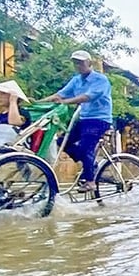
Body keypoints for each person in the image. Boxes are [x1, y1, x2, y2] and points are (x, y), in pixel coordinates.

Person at [38, 50, 113, 192]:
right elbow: (59, 95)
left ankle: (90, 181)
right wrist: (38, 103)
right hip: (84, 119)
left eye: (81, 62)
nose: (78, 65)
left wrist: (66, 102)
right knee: (62, 142)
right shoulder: (76, 80)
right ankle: (90, 166)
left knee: (86, 147)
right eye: (75, 63)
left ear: (89, 63)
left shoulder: (100, 80)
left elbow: (87, 97)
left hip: (99, 119)